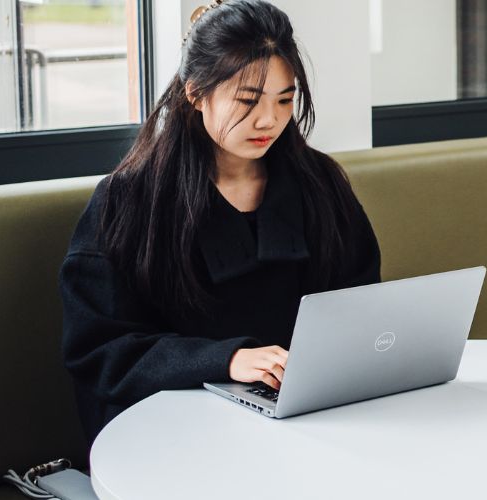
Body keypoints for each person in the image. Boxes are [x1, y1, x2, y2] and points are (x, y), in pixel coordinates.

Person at [59, 0, 380, 440]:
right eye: (248, 100)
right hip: (175, 429)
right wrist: (226, 360)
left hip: (307, 419)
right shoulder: (129, 200)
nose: (269, 119)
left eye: (285, 100)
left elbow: (359, 303)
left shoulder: (318, 182)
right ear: (196, 93)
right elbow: (100, 350)